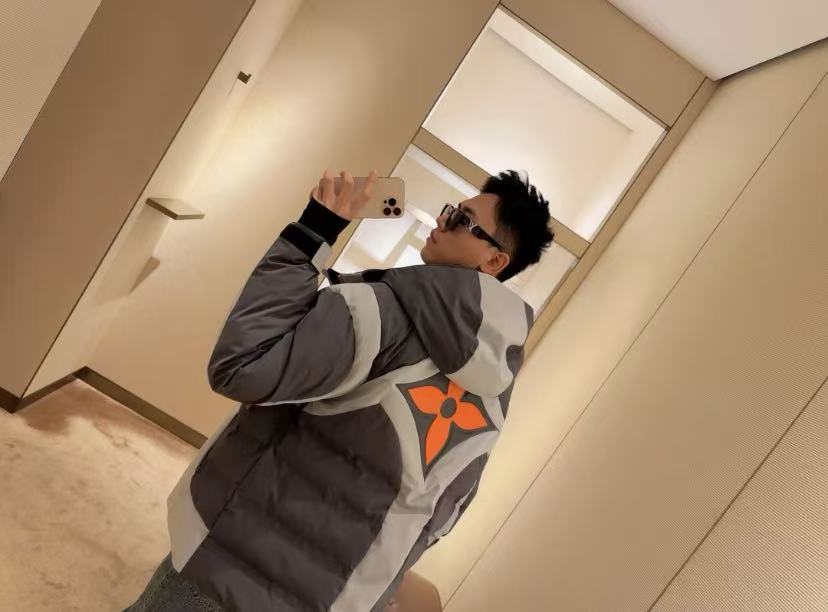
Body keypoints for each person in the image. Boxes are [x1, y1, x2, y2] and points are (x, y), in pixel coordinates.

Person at [125, 168, 553, 611]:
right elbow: (441, 517)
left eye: (463, 220)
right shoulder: (496, 393)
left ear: (494, 261)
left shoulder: (376, 312)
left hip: (229, 563)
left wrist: (312, 232)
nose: (442, 221)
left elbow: (240, 367)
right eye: (451, 211)